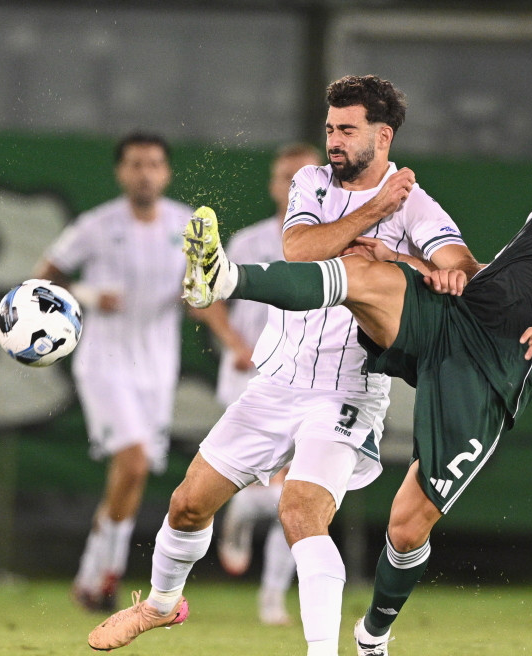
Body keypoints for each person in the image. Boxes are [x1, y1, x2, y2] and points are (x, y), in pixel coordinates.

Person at [169, 105, 532, 655]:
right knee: (366, 272)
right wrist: (408, 260)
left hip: (495, 370)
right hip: (459, 317)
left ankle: (373, 635)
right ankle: (224, 278)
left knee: (407, 526)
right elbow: (493, 276)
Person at [87, 75, 478, 654]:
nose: (334, 141)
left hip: (347, 392)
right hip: (275, 381)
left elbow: (464, 269)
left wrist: (421, 263)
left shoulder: (414, 203)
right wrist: (375, 211)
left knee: (300, 513)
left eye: (348, 130)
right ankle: (161, 606)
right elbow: (299, 250)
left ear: (383, 136)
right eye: (330, 128)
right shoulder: (312, 181)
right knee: (188, 505)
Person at [34, 132, 231, 612]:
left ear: (166, 172)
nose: (145, 173)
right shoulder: (96, 226)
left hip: (157, 369)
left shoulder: (187, 224)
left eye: (154, 164)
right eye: (136, 164)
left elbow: (204, 294)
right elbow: (42, 278)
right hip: (104, 363)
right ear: (121, 172)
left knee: (131, 475)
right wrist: (86, 294)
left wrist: (226, 331)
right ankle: (108, 575)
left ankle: (89, 574)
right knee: (135, 463)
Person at [213, 143, 323, 627]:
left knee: (298, 491)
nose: (294, 185)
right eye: (286, 177)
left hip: (307, 377)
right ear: (274, 185)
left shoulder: (336, 242)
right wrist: (234, 342)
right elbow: (205, 296)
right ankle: (242, 506)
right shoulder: (247, 241)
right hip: (248, 372)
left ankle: (273, 595)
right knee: (257, 478)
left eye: (304, 175)